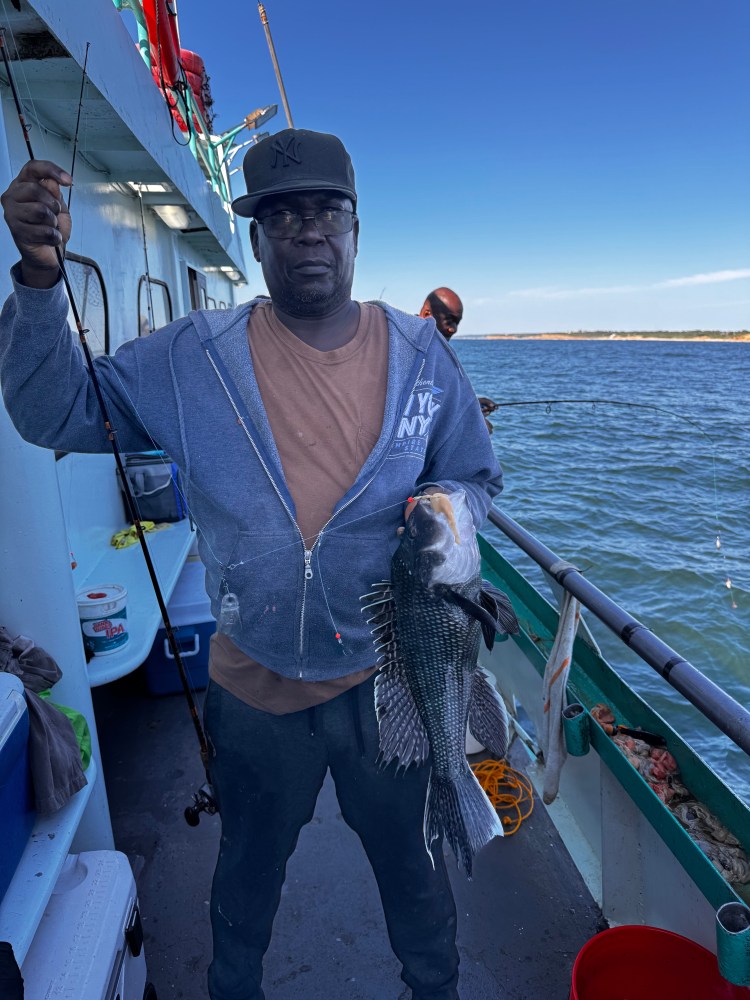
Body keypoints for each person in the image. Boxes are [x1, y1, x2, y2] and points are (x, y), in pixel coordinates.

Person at [0, 129, 503, 1000]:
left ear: (355, 230)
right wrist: (41, 280)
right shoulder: (191, 357)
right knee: (242, 888)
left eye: (325, 212)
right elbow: (55, 410)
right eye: (282, 214)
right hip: (252, 688)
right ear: (258, 239)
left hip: (385, 689)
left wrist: (450, 508)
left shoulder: (426, 359)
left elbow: (473, 472)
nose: (307, 231)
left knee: (415, 883)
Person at [419, 288, 499, 432]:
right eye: (449, 321)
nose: (453, 330)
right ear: (426, 314)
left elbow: (436, 400)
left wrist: (471, 405)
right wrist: (470, 421)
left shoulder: (439, 355)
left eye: (457, 323)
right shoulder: (405, 350)